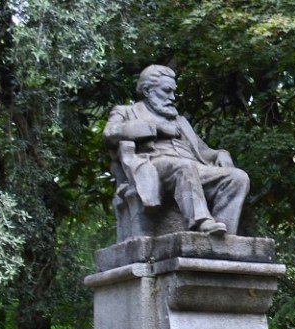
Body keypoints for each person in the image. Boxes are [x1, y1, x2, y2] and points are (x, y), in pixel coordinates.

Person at [104, 65, 249, 236]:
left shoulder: (180, 121)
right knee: (184, 167)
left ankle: (224, 235)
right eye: (166, 91)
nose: (172, 98)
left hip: (193, 168)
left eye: (173, 92)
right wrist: (155, 128)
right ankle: (202, 222)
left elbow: (203, 151)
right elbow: (110, 133)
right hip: (155, 165)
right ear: (147, 90)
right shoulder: (127, 112)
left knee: (238, 177)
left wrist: (221, 154)